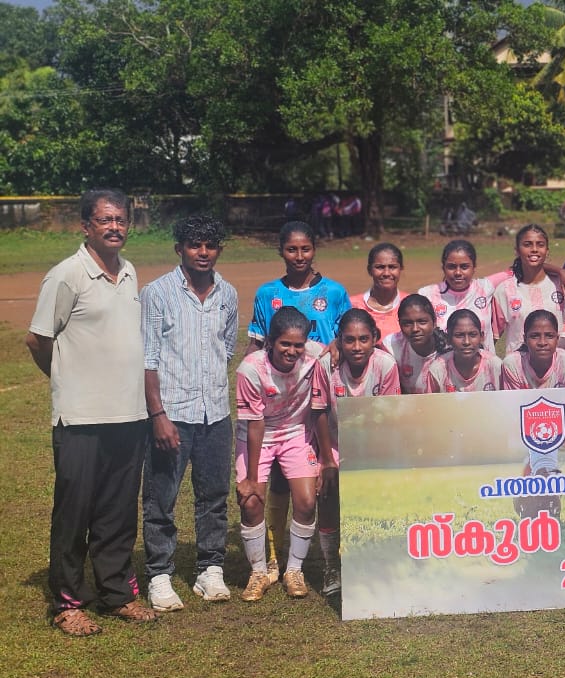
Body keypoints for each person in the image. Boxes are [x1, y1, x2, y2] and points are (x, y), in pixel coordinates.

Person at [26, 188, 156, 635]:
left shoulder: (130, 272)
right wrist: (66, 378)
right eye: (105, 220)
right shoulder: (67, 275)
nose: (114, 227)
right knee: (74, 511)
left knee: (117, 511)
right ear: (86, 226)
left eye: (120, 219)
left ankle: (117, 593)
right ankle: (67, 602)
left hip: (129, 414)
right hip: (80, 417)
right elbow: (38, 340)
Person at [139, 215, 239, 612]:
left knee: (213, 496)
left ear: (219, 250)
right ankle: (159, 573)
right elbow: (148, 359)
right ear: (179, 248)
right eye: (195, 245)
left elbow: (226, 348)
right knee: (160, 497)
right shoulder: (157, 293)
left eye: (210, 245)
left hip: (215, 413)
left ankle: (210, 568)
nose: (203, 252)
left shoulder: (228, 294)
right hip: (172, 414)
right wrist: (158, 415)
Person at [234, 307, 338, 601]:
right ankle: (259, 571)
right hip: (258, 435)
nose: (292, 351)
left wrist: (337, 345)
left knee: (306, 501)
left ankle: (294, 570)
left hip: (295, 433)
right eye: (285, 344)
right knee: (251, 501)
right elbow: (255, 424)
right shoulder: (250, 370)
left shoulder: (315, 355)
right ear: (270, 341)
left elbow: (338, 349)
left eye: (298, 345)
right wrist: (252, 478)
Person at [319, 309, 401, 595]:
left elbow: (388, 416)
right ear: (339, 340)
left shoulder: (385, 365)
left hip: (372, 445)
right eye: (349, 340)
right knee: (327, 495)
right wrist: (327, 462)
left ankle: (373, 560)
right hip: (333, 444)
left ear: (375, 338)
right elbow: (319, 413)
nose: (356, 347)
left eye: (364, 339)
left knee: (376, 498)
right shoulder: (326, 365)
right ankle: (332, 566)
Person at [248, 221, 351, 348]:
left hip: (323, 361)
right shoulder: (267, 293)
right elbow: (256, 344)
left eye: (305, 249)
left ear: (314, 250)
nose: (300, 257)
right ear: (281, 251)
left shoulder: (334, 292)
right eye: (291, 250)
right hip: (278, 362)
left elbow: (348, 338)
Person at [492, 224, 565, 355]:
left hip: (558, 364)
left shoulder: (563, 285)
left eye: (540, 245)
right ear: (517, 251)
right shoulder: (505, 290)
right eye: (527, 244)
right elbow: (492, 338)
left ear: (547, 251)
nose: (534, 249)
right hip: (519, 365)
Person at [420, 239, 497, 354]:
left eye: (464, 267)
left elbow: (515, 272)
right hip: (444, 363)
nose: (458, 273)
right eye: (451, 267)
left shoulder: (485, 287)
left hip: (485, 363)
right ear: (443, 268)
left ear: (474, 267)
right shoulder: (427, 295)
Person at [500, 311, 565, 390]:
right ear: (525, 339)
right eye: (535, 336)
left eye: (549, 336)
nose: (542, 342)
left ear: (557, 339)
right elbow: (514, 400)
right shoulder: (513, 365)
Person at [384, 294, 450, 394]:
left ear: (434, 322)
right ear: (400, 324)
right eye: (407, 323)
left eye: (422, 322)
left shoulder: (450, 349)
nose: (415, 329)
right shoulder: (391, 346)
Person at [426, 309, 503, 392]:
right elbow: (430, 400)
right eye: (459, 335)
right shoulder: (438, 370)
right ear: (448, 339)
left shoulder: (496, 367)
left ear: (481, 337)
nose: (467, 342)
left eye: (472, 335)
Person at [348, 243, 408, 339]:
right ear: (369, 270)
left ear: (401, 269)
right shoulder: (351, 306)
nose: (386, 273)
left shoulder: (410, 306)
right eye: (380, 267)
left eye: (392, 267)